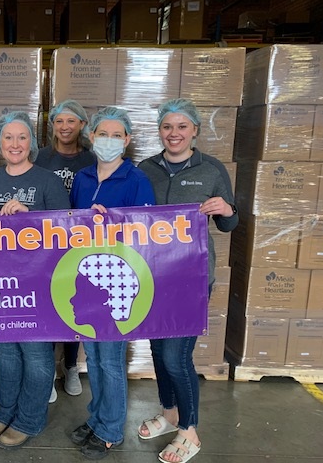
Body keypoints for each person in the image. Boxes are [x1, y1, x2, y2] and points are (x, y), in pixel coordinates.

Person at [137, 98, 238, 463]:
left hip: (192, 278)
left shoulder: (211, 170)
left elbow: (229, 223)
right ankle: (169, 414)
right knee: (156, 351)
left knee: (176, 355)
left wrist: (227, 210)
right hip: (152, 275)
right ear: (160, 131)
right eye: (167, 127)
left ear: (194, 130)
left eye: (181, 127)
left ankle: (189, 431)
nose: (174, 133)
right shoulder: (145, 169)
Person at [0, 111, 70, 449]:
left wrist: (32, 219)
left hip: (37, 285)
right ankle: (5, 411)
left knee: (36, 356)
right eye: (8, 138)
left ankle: (29, 419)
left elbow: (64, 232)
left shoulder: (48, 181)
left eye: (21, 137)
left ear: (32, 143)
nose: (15, 144)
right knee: (7, 354)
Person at [68, 106, 156, 460]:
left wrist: (114, 224)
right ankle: (98, 417)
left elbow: (148, 233)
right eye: (102, 134)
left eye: (116, 135)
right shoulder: (84, 178)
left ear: (128, 140)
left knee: (111, 360)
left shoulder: (137, 180)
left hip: (116, 282)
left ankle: (110, 429)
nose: (109, 140)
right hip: (86, 279)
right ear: (91, 137)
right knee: (95, 357)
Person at [35, 99, 96, 401]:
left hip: (82, 244)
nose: (65, 127)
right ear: (53, 126)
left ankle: (70, 365)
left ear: (82, 125)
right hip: (45, 243)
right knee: (48, 304)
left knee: (77, 303)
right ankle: (46, 370)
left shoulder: (91, 160)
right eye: (59, 121)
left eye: (71, 121)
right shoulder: (40, 158)